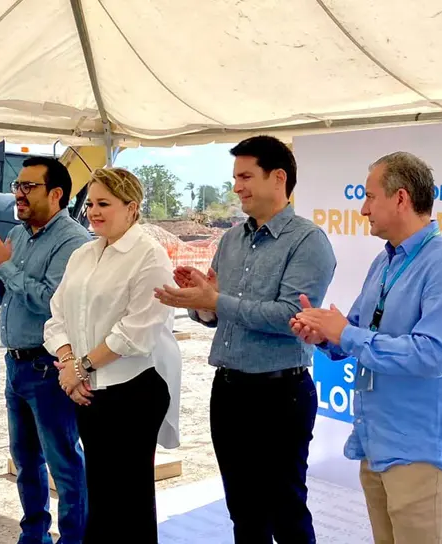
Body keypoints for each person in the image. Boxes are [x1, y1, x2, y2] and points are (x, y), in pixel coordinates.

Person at [153, 135, 336, 543]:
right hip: (230, 391)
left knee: (286, 509)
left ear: (279, 179)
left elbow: (292, 314)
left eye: (246, 176)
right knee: (244, 511)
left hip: (280, 395)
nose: (237, 187)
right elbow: (215, 314)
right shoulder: (232, 239)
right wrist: (202, 302)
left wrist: (218, 299)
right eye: (235, 177)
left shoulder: (308, 241)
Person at [291, 151, 442, 544]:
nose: (363, 209)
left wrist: (346, 334)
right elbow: (359, 330)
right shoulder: (385, 261)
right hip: (376, 445)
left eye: (370, 197)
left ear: (401, 199)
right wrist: (325, 334)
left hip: (420, 455)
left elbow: (431, 355)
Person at [0, 156, 91, 544]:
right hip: (16, 367)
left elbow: (52, 302)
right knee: (27, 462)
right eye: (18, 187)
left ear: (56, 194)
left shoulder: (73, 243)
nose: (19, 194)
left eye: (28, 187)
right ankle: (34, 536)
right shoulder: (17, 236)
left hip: (50, 368)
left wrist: (7, 267)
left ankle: (74, 539)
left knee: (64, 464)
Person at [43, 167, 181, 544]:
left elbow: (135, 332)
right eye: (90, 204)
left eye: (104, 203)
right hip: (88, 390)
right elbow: (57, 317)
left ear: (131, 207)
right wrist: (70, 365)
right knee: (100, 497)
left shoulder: (149, 256)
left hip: (134, 390)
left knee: (130, 501)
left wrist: (80, 368)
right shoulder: (84, 255)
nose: (93, 212)